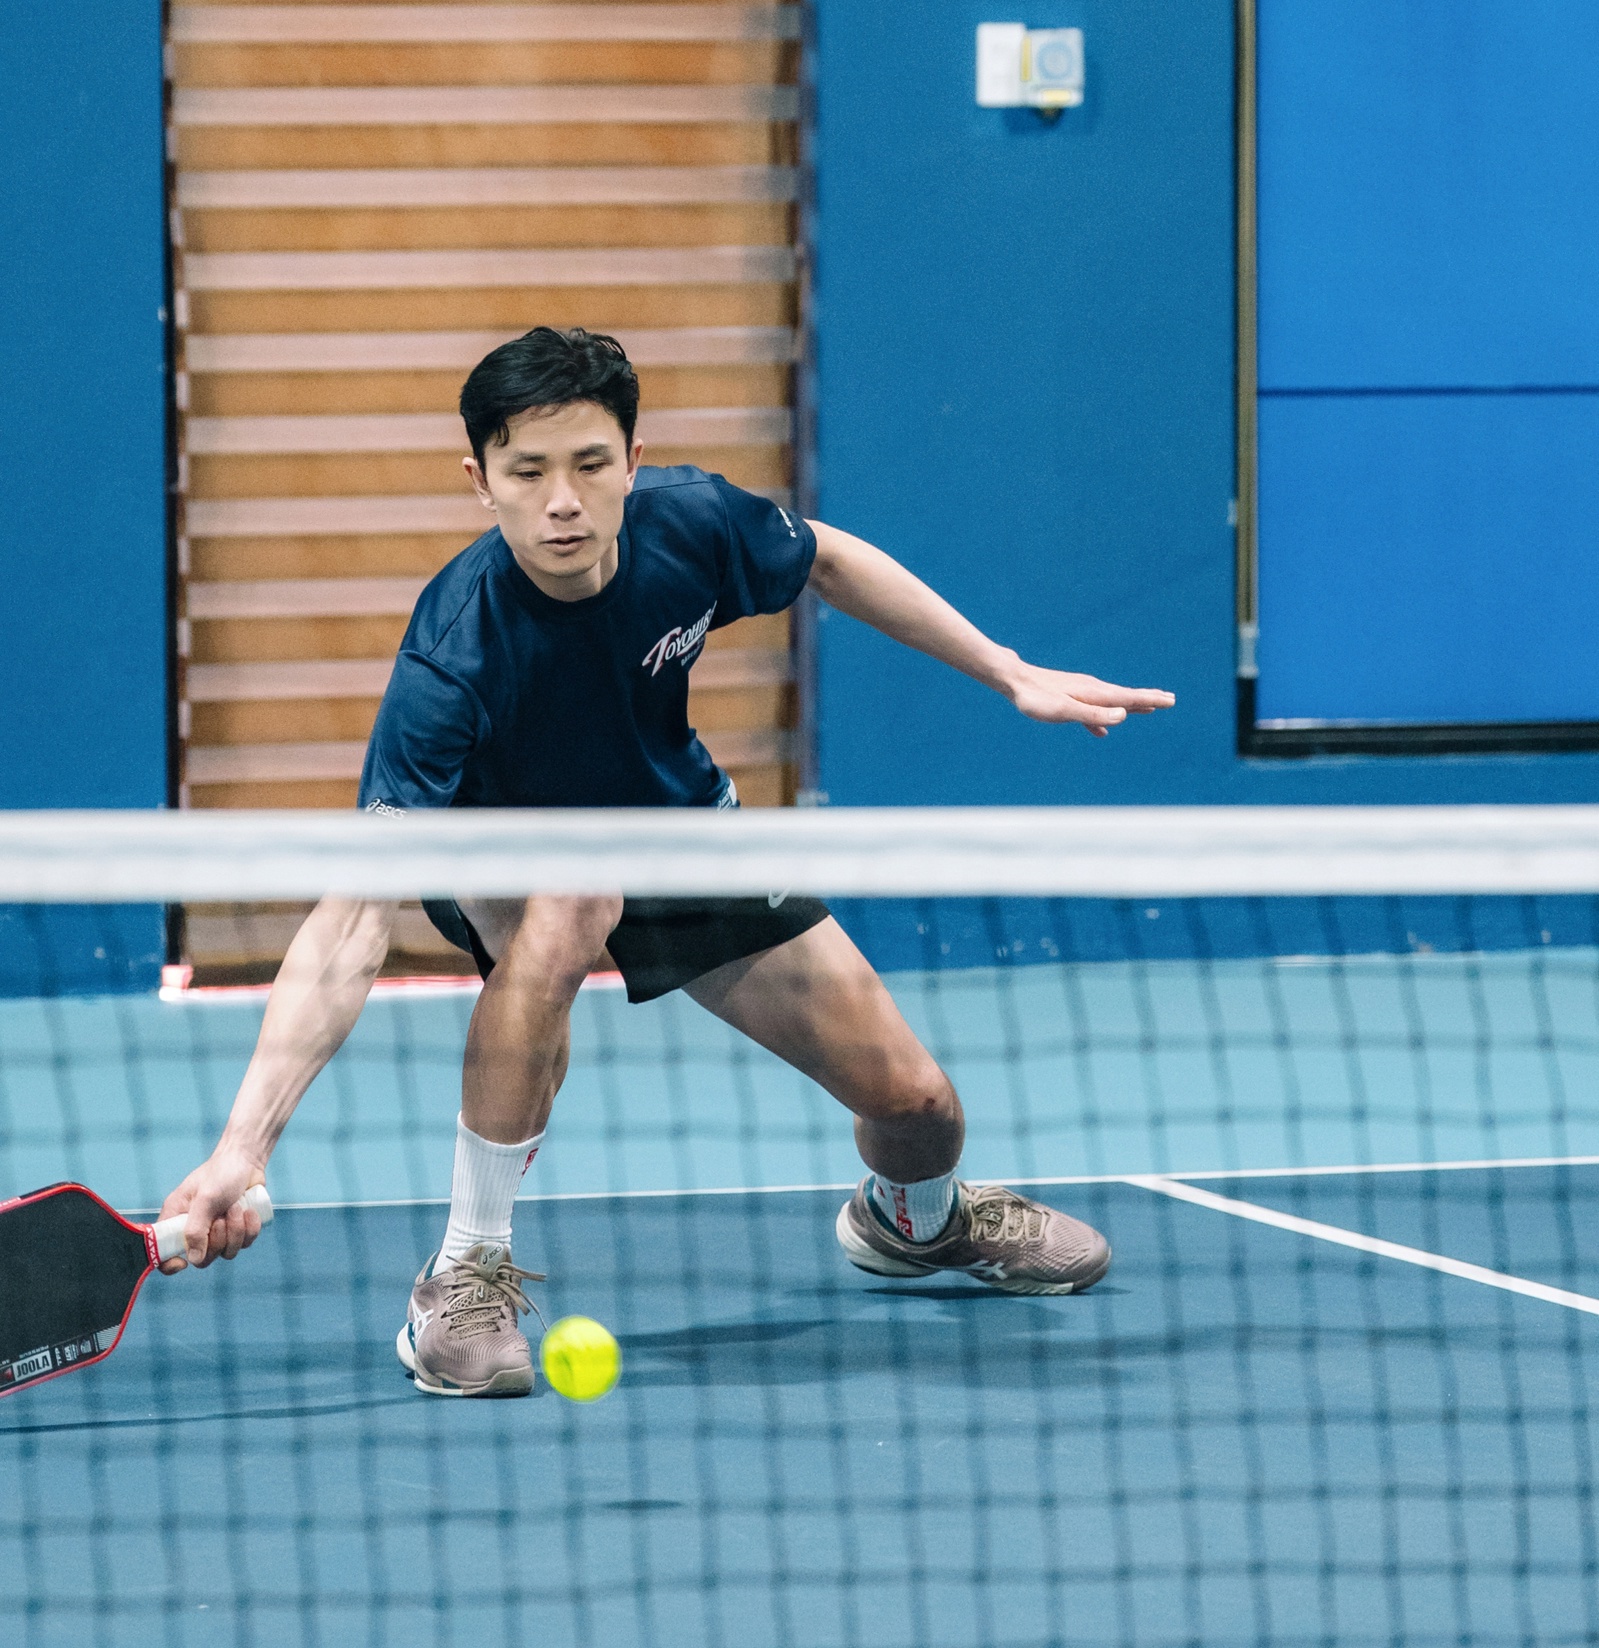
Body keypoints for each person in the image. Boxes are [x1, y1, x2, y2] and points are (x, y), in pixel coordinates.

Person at [162, 328, 1174, 1397]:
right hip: (514, 853)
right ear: (481, 482)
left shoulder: (690, 526)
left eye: (590, 465)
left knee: (918, 1109)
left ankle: (916, 1222)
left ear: (632, 462)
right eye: (527, 473)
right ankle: (463, 1273)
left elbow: (827, 558)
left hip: (677, 826)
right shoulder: (454, 654)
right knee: (573, 901)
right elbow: (351, 922)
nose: (562, 502)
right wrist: (243, 1149)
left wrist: (1005, 669)